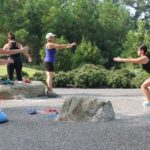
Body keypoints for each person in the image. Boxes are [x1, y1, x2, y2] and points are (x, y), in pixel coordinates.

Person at [44, 32, 76, 97]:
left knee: (51, 76)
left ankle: (49, 90)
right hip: (48, 62)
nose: (54, 38)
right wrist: (70, 44)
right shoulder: (50, 44)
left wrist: (68, 46)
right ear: (49, 38)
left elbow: (60, 47)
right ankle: (50, 91)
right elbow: (59, 45)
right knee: (50, 77)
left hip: (49, 62)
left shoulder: (51, 44)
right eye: (53, 37)